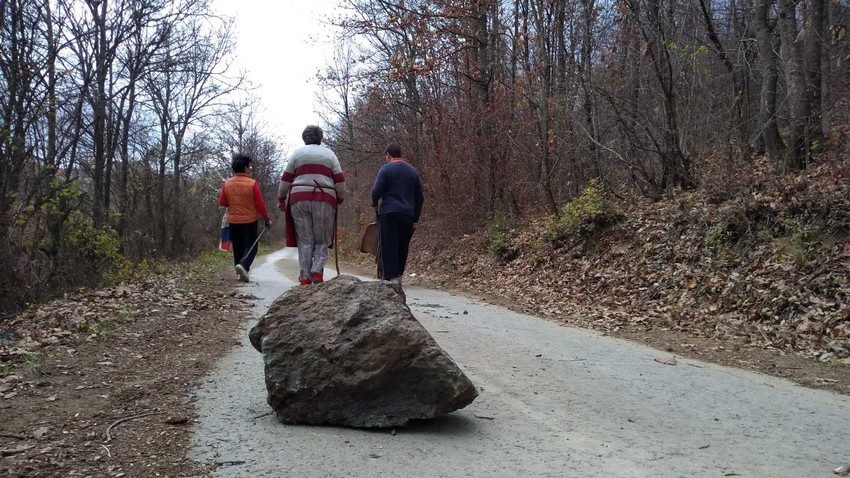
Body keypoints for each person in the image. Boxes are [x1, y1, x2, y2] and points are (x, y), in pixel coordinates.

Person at [278, 125, 346, 286]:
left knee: (305, 239)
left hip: (299, 199)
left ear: (304, 139)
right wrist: (340, 197)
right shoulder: (329, 154)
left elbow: (286, 178)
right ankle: (317, 272)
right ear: (320, 138)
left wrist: (281, 197)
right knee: (322, 238)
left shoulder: (297, 153)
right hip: (324, 198)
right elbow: (340, 179)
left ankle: (304, 276)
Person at [370, 142, 423, 285]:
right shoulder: (412, 171)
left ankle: (391, 277)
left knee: (388, 244)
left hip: (389, 212)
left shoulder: (386, 169)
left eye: (385, 156)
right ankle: (399, 275)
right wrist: (415, 218)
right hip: (408, 214)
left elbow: (376, 190)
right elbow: (420, 197)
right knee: (403, 244)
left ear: (388, 155)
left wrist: (374, 203)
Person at [218, 154, 271, 283]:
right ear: (245, 168)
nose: (250, 169)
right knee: (252, 246)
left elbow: (223, 202)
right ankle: (243, 266)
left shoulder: (227, 184)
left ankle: (239, 272)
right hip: (250, 221)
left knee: (238, 246)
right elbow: (260, 204)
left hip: (233, 221)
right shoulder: (252, 184)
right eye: (249, 167)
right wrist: (267, 219)